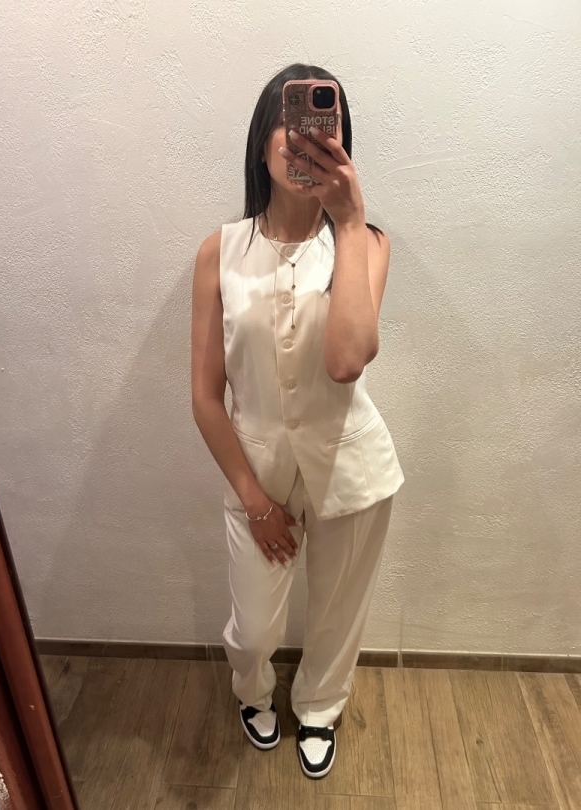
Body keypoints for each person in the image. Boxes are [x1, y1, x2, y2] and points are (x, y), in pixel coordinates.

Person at [191, 63, 404, 779]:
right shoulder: (219, 252)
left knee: (339, 613)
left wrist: (349, 222)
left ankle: (319, 705)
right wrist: (254, 501)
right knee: (254, 629)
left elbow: (346, 361)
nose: (304, 139)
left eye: (323, 125)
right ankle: (252, 690)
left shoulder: (365, 242)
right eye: (291, 121)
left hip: (351, 463)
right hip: (256, 470)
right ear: (262, 142)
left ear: (341, 144)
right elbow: (205, 395)